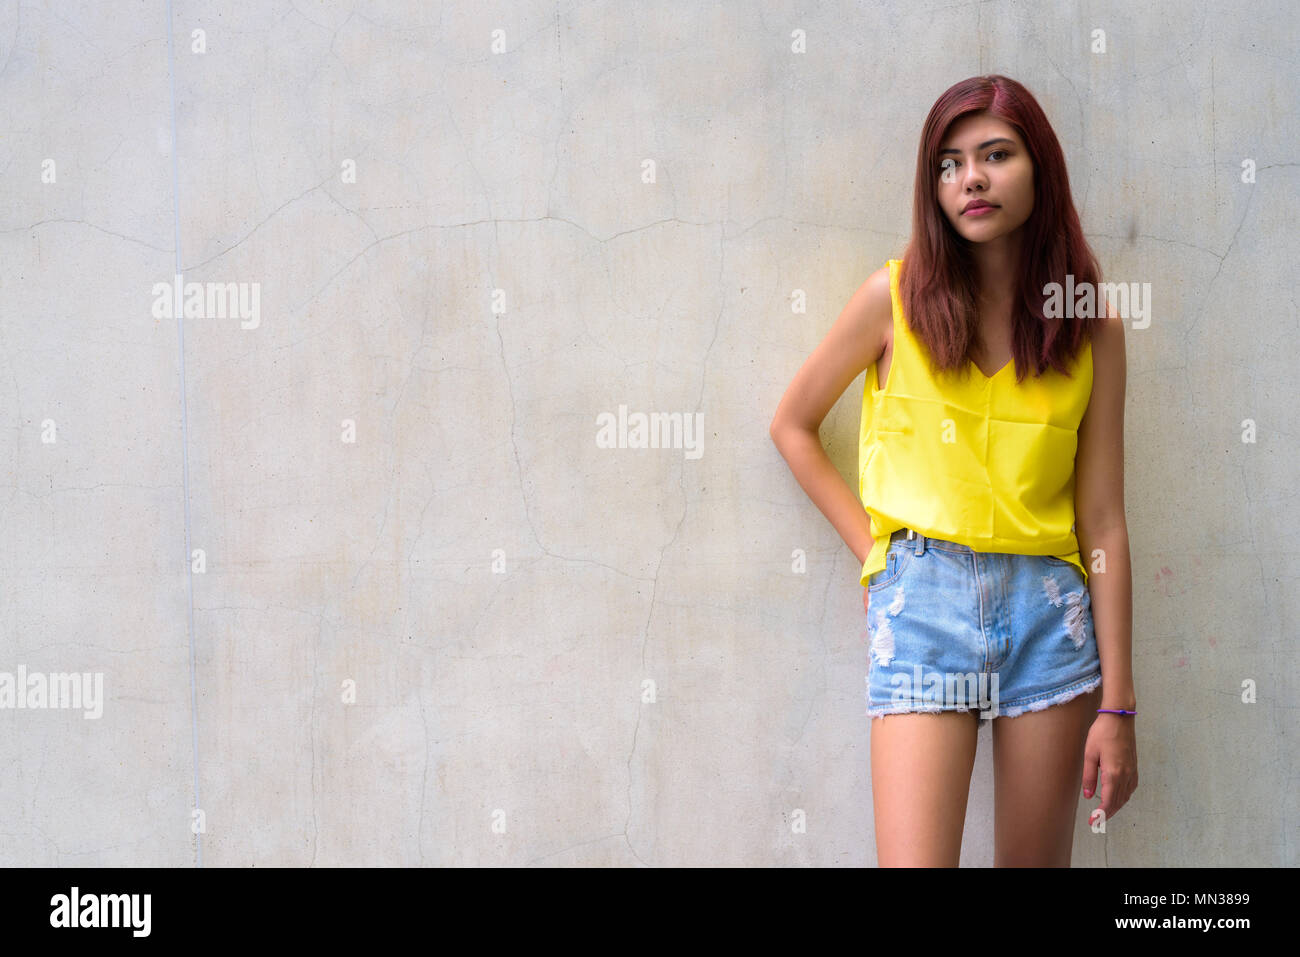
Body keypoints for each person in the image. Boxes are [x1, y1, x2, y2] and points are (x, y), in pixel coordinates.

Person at [768, 75, 1137, 866]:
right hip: (923, 606)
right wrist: (879, 556)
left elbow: (1103, 517)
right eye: (948, 163)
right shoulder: (891, 299)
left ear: (1041, 167)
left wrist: (1120, 704)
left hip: (1050, 617)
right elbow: (792, 426)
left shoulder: (1091, 325)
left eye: (995, 155)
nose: (969, 178)